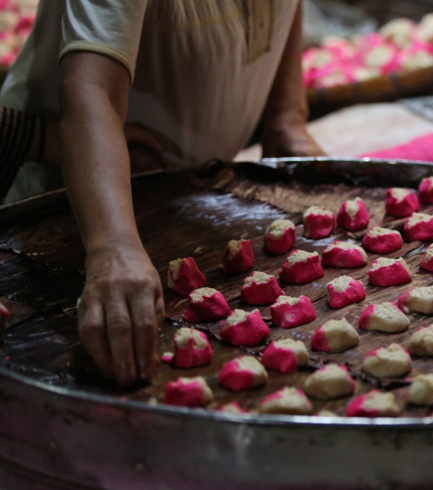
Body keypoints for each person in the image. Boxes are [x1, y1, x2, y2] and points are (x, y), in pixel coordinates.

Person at [0, 0, 324, 386]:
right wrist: (112, 247)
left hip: (196, 211)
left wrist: (286, 117)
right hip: (67, 221)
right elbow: (93, 90)